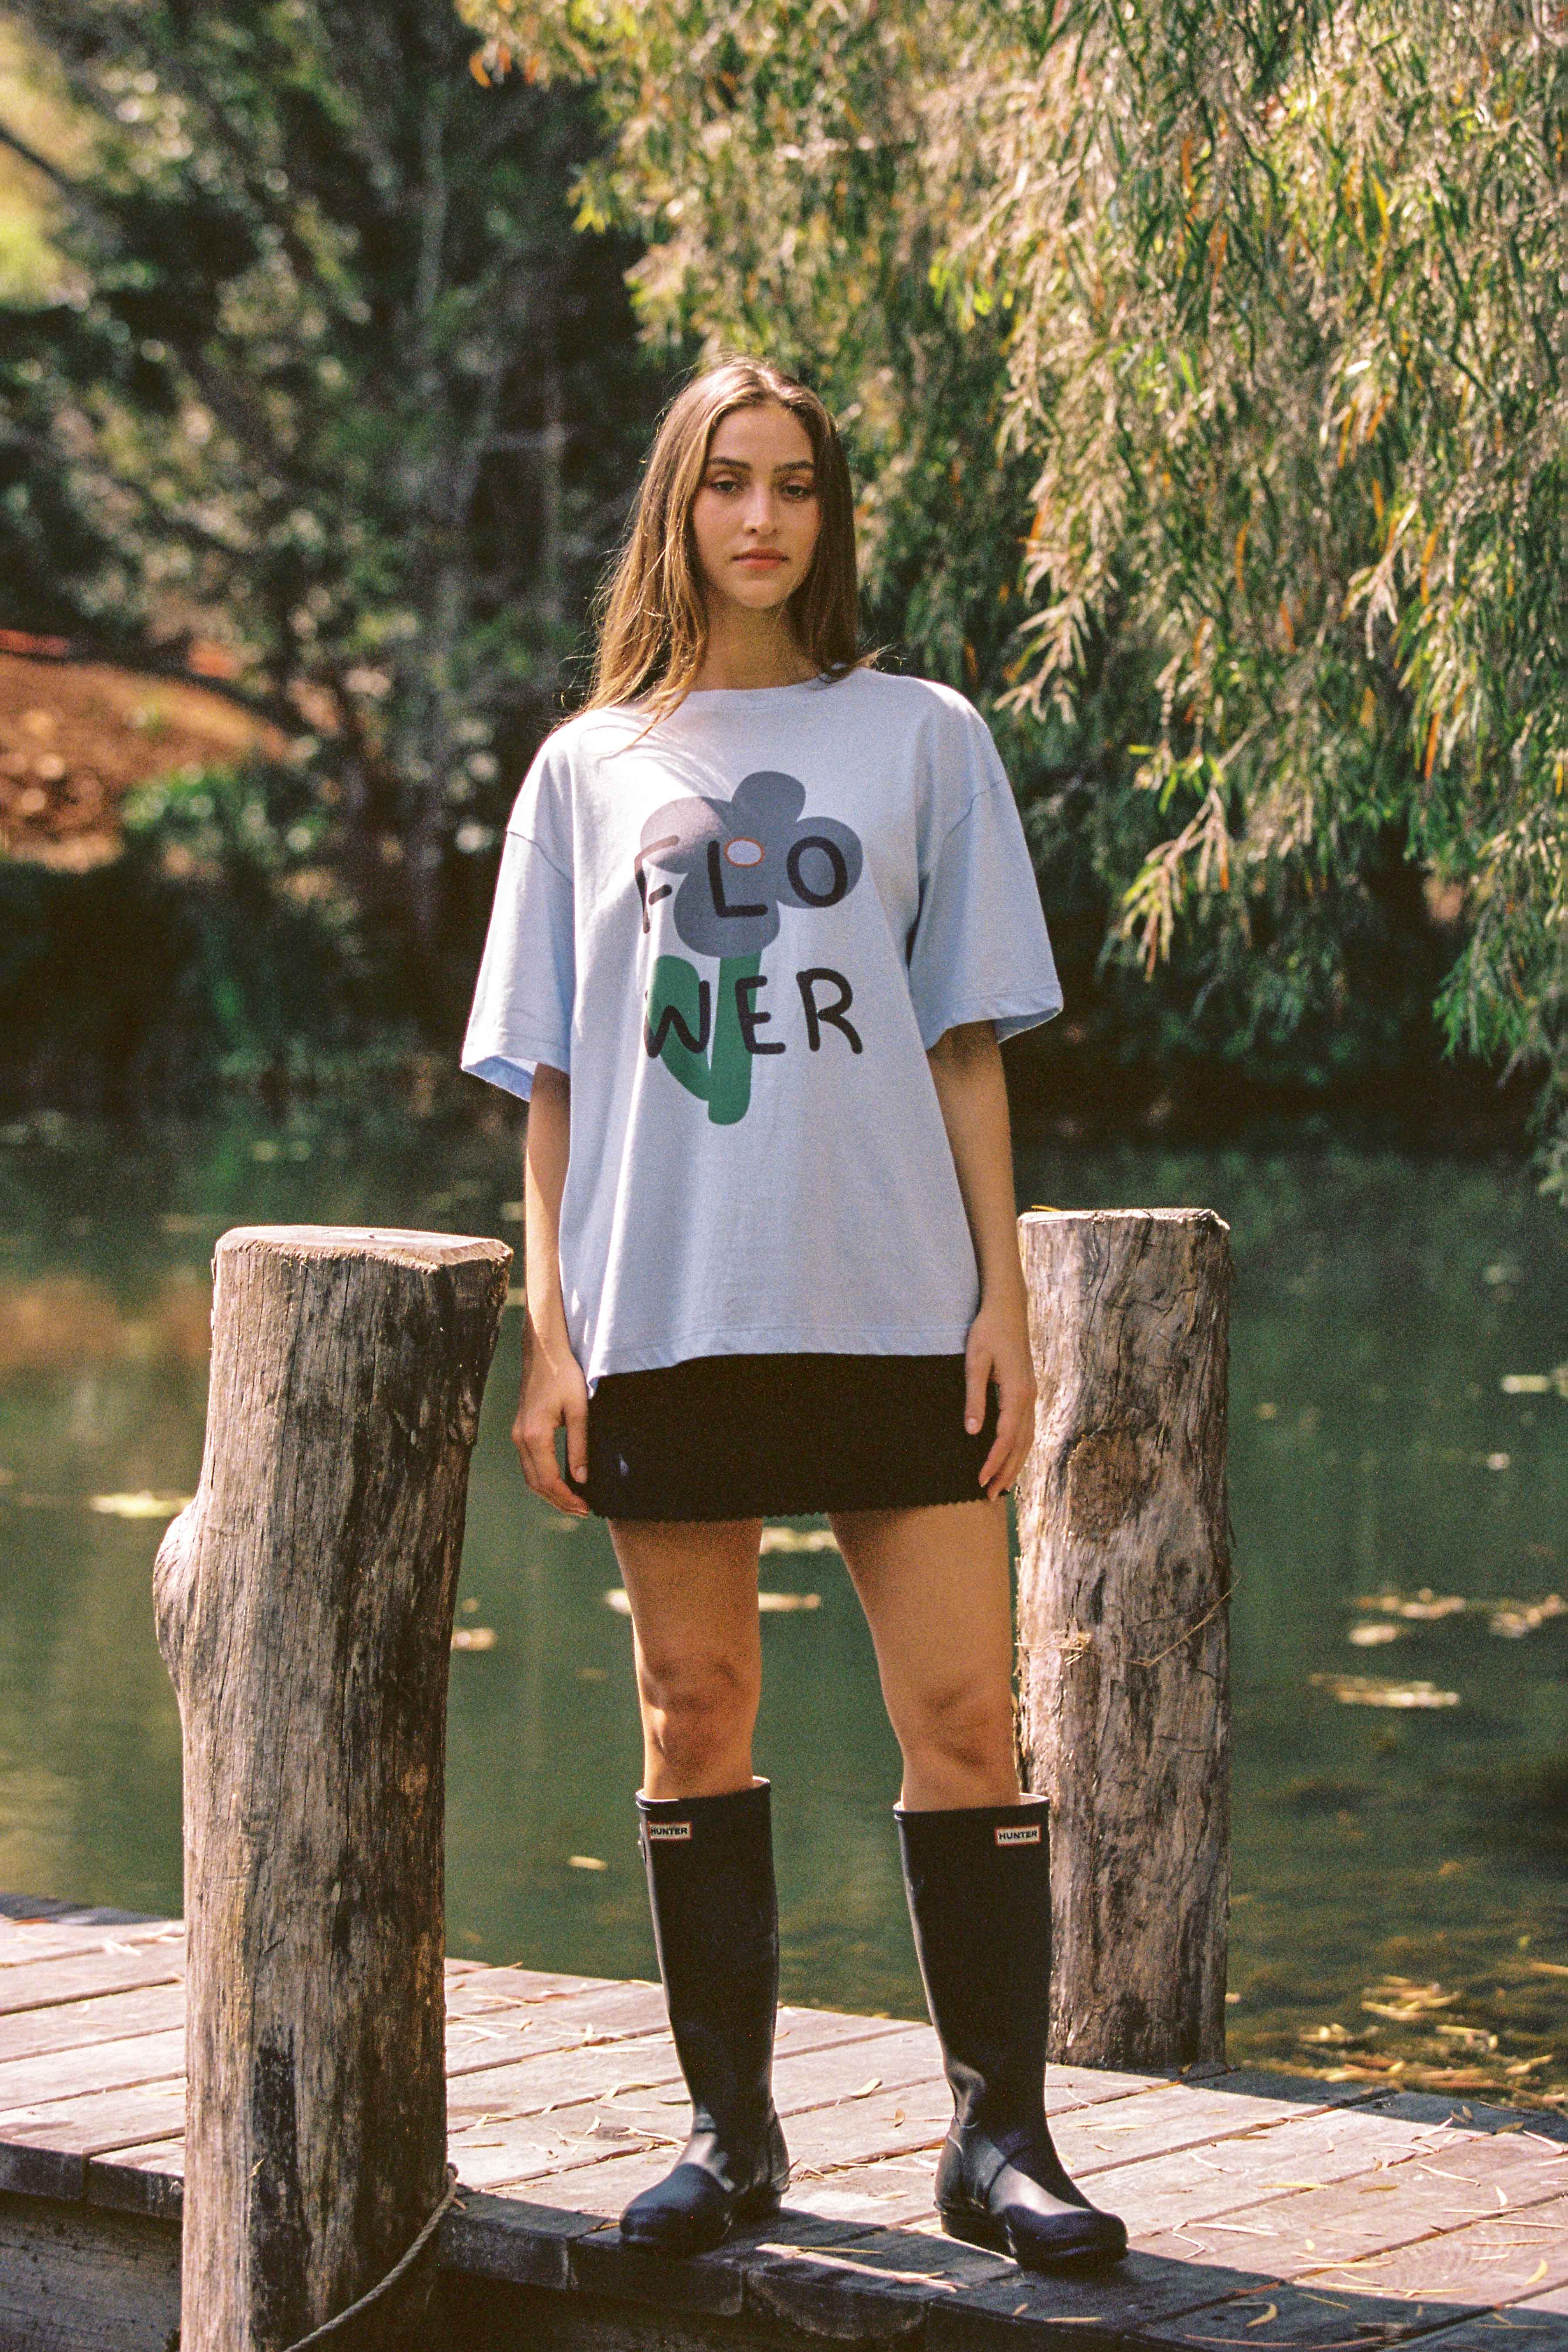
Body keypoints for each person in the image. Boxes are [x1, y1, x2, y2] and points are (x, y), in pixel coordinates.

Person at [460, 357, 1127, 2274]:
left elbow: (968, 1041)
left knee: (963, 1717)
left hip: (893, 1298)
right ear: (675, 508)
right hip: (672, 1306)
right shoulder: (589, 769)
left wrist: (1002, 1303)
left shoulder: (922, 735)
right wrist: (556, 1334)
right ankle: (728, 2134)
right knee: (695, 1710)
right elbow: (558, 1087)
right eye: (728, 483)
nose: (764, 517)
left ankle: (1000, 2140)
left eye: (800, 486)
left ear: (830, 517)